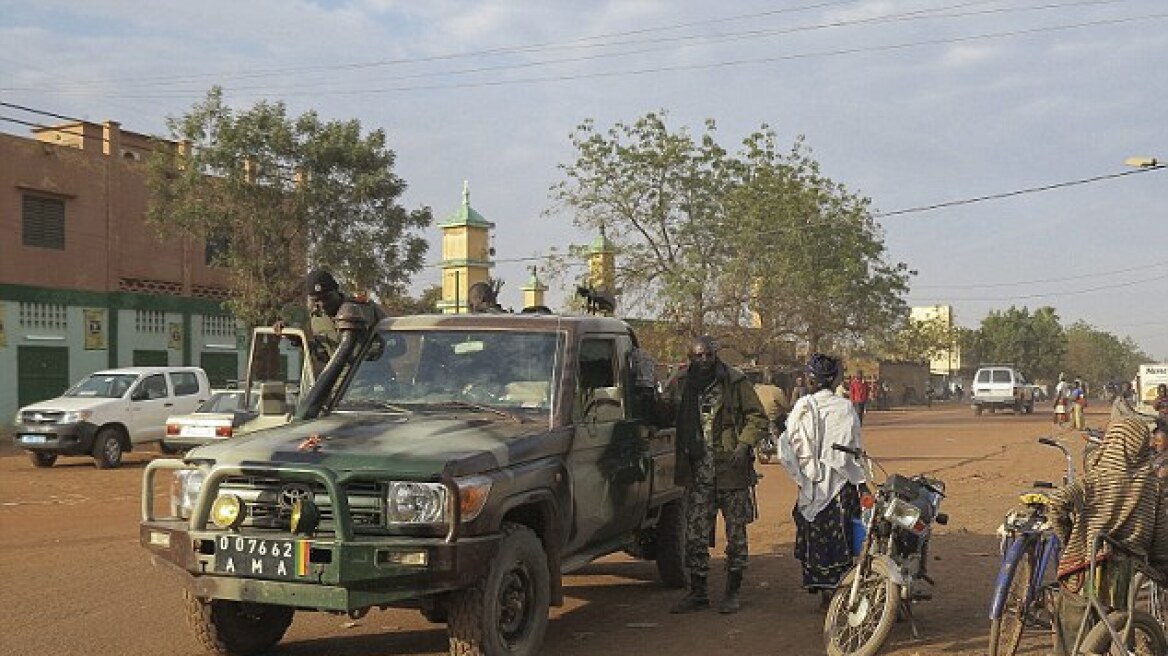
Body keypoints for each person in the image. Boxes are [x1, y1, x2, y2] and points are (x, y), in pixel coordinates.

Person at [1047, 417, 1168, 655]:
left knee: (1070, 638)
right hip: (1126, 574)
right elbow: (1161, 537)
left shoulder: (1094, 479)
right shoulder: (1152, 484)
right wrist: (1162, 569)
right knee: (1121, 636)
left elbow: (1057, 502)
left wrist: (1070, 538)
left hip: (1084, 572)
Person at [668, 336, 768, 615]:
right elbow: (663, 410)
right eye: (698, 356)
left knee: (736, 536)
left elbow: (758, 417)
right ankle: (698, 592)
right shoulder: (684, 384)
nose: (703, 361)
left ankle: (733, 592)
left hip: (731, 473)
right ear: (690, 357)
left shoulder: (734, 382)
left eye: (708, 356)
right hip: (698, 474)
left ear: (715, 355)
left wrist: (744, 444)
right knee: (696, 536)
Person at [779, 353, 866, 608]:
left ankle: (825, 593)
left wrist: (803, 476)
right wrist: (858, 479)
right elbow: (855, 448)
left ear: (810, 378)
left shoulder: (802, 407)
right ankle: (838, 590)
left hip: (811, 485)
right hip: (841, 485)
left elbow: (787, 448)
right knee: (842, 537)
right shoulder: (845, 408)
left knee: (815, 536)